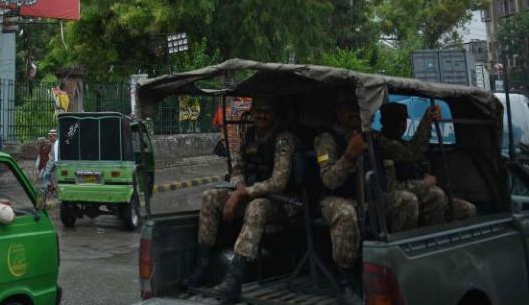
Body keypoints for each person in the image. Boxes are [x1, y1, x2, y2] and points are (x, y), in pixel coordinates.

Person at [183, 97, 298, 301]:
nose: (262, 115)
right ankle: (203, 267)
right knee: (210, 196)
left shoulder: (283, 139)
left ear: (274, 115)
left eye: (267, 111)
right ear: (252, 114)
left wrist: (242, 193)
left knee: (256, 207)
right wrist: (238, 187)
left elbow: (279, 182)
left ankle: (234, 280)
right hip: (249, 195)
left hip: (280, 202)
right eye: (258, 111)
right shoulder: (250, 136)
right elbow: (237, 170)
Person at [314, 91, 419, 302]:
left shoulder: (372, 136)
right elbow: (329, 180)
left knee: (407, 200)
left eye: (357, 107)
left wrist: (425, 123)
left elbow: (407, 153)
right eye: (347, 108)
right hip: (335, 198)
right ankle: (345, 280)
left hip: (369, 196)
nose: (354, 112)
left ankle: (393, 262)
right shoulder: (326, 140)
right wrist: (348, 155)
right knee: (346, 213)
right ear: (338, 112)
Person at [377, 102, 477, 224]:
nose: (402, 125)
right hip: (404, 198)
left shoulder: (402, 143)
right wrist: (426, 122)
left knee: (468, 209)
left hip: (421, 194)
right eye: (396, 122)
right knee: (435, 196)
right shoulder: (383, 144)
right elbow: (411, 153)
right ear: (383, 122)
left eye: (404, 121)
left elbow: (416, 157)